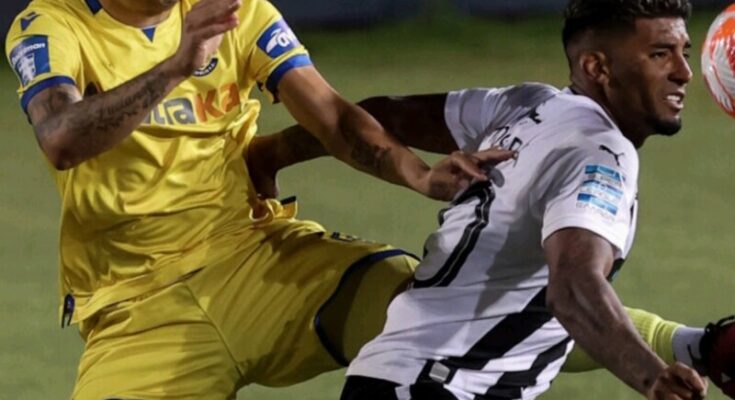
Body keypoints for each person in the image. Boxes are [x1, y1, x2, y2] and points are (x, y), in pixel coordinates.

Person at [4, 0, 515, 398]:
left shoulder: (236, 12)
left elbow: (332, 117)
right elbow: (61, 138)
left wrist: (420, 175)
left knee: (440, 312)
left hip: (257, 261)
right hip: (137, 308)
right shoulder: (50, 24)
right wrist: (176, 67)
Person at [248, 0, 735, 398]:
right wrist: (652, 379)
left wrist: (271, 154)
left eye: (685, 52)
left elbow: (383, 116)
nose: (683, 73)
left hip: (401, 380)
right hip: (442, 387)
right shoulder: (603, 154)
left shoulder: (528, 105)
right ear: (597, 67)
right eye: (659, 54)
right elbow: (573, 290)